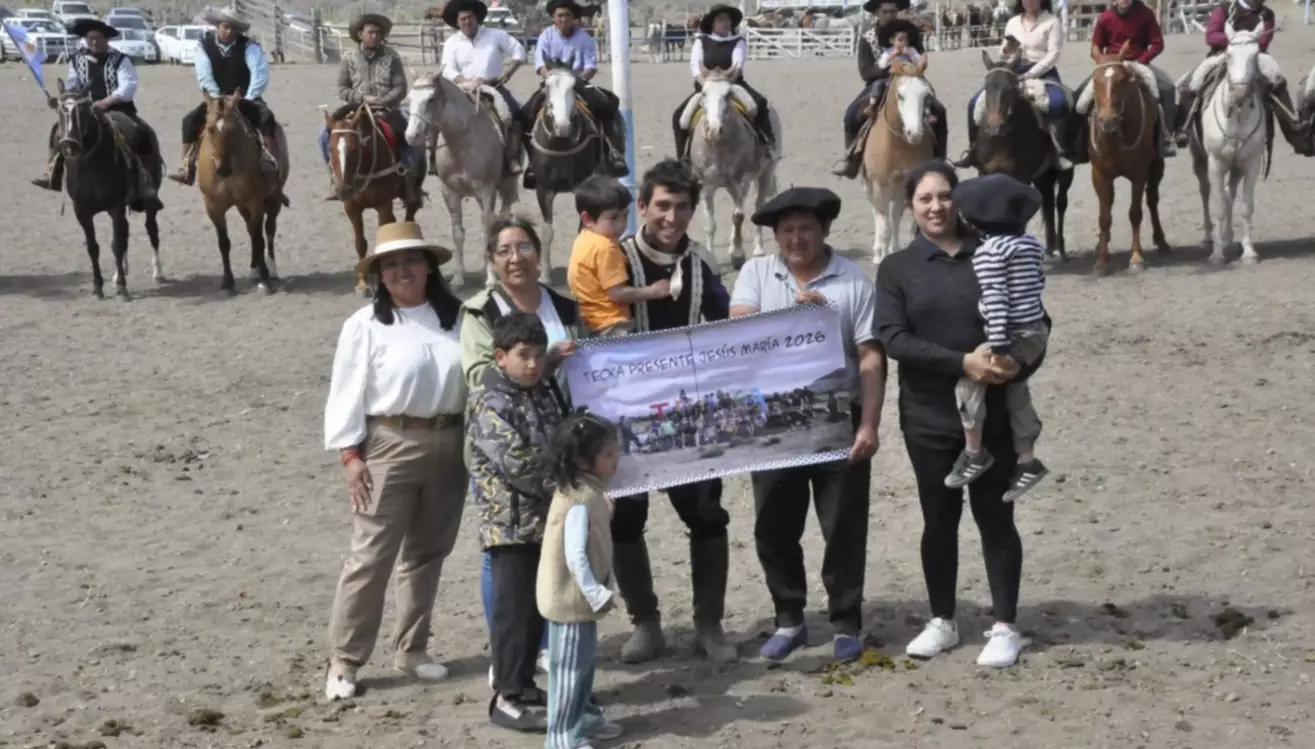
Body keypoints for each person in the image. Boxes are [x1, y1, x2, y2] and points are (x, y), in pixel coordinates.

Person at [875, 161, 1045, 669]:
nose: (936, 207)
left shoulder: (994, 250)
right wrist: (962, 363)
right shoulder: (897, 268)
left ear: (960, 200)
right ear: (910, 206)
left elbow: (1036, 317)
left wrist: (1018, 363)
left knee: (996, 518)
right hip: (927, 416)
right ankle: (942, 620)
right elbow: (893, 338)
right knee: (938, 520)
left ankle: (1006, 625)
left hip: (994, 413)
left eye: (945, 195)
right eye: (924, 199)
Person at [728, 187, 885, 662]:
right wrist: (794, 321)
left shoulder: (853, 280)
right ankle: (789, 617)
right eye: (788, 230)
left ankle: (846, 620)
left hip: (838, 414)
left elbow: (870, 356)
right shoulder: (755, 273)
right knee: (774, 523)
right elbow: (738, 337)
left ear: (826, 230)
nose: (797, 239)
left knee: (843, 524)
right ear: (776, 235)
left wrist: (870, 424)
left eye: (807, 229)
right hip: (773, 417)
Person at [323, 221, 467, 700]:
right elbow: (346, 390)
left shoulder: (459, 318)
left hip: (451, 441)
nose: (402, 270)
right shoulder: (364, 325)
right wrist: (351, 455)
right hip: (390, 443)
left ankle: (412, 648)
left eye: (410, 260)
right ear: (379, 275)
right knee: (371, 555)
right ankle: (345, 659)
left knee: (428, 552)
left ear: (428, 266)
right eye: (391, 264)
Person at [608, 159, 737, 664]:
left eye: (682, 207)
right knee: (625, 518)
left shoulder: (703, 261)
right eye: (662, 205)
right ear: (642, 207)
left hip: (688, 413)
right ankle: (645, 622)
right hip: (625, 413)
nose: (672, 216)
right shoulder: (614, 259)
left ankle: (709, 623)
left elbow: (727, 328)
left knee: (706, 514)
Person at [459, 216, 581, 688]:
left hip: (562, 436)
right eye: (505, 250)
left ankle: (545, 645)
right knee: (507, 560)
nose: (516, 258)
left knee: (555, 552)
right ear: (491, 259)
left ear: (539, 252)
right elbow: (479, 377)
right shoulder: (479, 311)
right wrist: (544, 365)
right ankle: (507, 656)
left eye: (524, 247)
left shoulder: (564, 305)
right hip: (509, 449)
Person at [468, 312, 566, 733]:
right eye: (523, 355)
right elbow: (517, 464)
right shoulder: (489, 402)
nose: (532, 364)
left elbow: (560, 443)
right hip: (508, 527)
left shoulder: (542, 394)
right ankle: (505, 697)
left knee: (535, 610)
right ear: (500, 357)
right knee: (512, 612)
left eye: (539, 356)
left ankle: (524, 685)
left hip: (544, 523)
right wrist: (569, 489)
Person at [945, 174, 1050, 500]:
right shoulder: (1031, 244)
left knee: (968, 383)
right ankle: (1027, 460)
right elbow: (1037, 284)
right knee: (1017, 388)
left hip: (1011, 332)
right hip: (1035, 328)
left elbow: (996, 298)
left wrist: (999, 342)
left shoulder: (989, 252)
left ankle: (974, 452)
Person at [537, 414, 626, 748]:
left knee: (584, 665)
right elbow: (575, 554)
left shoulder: (589, 492)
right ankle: (562, 736)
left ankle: (585, 717)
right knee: (568, 671)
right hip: (571, 600)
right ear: (584, 461)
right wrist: (593, 591)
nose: (616, 460)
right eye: (608, 454)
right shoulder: (578, 500)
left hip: (581, 602)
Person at [32, 18, 157, 203]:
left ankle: (144, 179)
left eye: (98, 38)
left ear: (106, 39)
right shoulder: (77, 59)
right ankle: (52, 173)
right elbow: (73, 85)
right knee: (58, 131)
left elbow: (128, 87)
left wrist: (106, 102)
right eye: (90, 38)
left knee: (140, 131)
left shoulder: (120, 60)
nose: (93, 42)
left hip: (117, 107)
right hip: (84, 108)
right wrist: (62, 100)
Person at [831, 0, 948, 178]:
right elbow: (865, 71)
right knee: (851, 114)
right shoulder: (867, 38)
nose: (889, 16)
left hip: (910, 78)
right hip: (879, 82)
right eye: (885, 12)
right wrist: (889, 70)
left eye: (893, 12)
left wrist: (918, 65)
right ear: (876, 13)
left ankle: (940, 158)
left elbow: (920, 56)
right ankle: (851, 159)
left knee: (939, 109)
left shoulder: (910, 34)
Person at [1173, 0, 1307, 153]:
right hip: (1223, 53)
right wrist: (1236, 42)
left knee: (1276, 77)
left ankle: (1293, 131)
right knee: (1193, 80)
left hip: (1254, 55)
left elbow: (1263, 41)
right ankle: (1182, 127)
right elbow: (1211, 36)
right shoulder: (1224, 9)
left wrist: (1245, 44)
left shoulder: (1266, 14)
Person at [959, 0, 1075, 170]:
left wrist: (1031, 73)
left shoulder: (1052, 22)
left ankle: (1059, 151)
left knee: (1058, 102)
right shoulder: (1012, 22)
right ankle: (972, 150)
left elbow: (1053, 53)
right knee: (974, 103)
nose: (1030, 1)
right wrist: (1007, 49)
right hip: (1012, 71)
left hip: (1043, 71)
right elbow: (1003, 51)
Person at [170, 8, 278, 185]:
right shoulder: (204, 47)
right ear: (218, 26)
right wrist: (218, 99)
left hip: (245, 98)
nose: (228, 31)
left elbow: (259, 74)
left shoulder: (249, 46)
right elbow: (204, 76)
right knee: (189, 121)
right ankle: (186, 167)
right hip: (216, 99)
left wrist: (247, 97)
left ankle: (269, 159)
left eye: (233, 28)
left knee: (266, 117)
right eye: (225, 26)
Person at [525, 0, 629, 180]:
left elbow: (590, 66)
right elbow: (540, 63)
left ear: (573, 17)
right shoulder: (545, 36)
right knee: (525, 114)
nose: (564, 19)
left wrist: (578, 79)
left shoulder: (584, 38)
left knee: (609, 105)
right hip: (553, 83)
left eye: (567, 15)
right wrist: (549, 76)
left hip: (578, 82)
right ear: (553, 18)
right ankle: (532, 163)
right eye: (560, 15)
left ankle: (613, 153)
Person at [321, 13, 417, 202]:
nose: (374, 36)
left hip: (386, 110)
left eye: (378, 33)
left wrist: (382, 101)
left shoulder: (392, 56)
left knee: (409, 135)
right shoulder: (348, 57)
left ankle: (409, 179)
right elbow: (341, 88)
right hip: (355, 109)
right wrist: (361, 97)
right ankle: (335, 179)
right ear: (360, 34)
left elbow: (400, 87)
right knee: (324, 135)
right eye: (370, 32)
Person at [671, 3, 775, 161]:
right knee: (679, 116)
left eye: (727, 19)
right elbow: (696, 68)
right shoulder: (701, 42)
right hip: (705, 87)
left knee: (760, 104)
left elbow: (737, 67)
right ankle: (682, 158)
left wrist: (725, 85)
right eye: (720, 19)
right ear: (712, 23)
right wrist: (707, 85)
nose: (725, 22)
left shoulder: (738, 42)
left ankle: (767, 144)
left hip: (733, 86)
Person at [1075, 0, 1177, 157]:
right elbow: (1096, 45)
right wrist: (1102, 61)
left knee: (1168, 88)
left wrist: (1142, 59)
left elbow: (1157, 43)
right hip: (1111, 64)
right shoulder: (1105, 18)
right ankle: (1080, 144)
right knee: (1080, 97)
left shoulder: (1145, 14)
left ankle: (1166, 137)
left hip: (1138, 62)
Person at [568, 175, 666, 337]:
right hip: (613, 326)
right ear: (587, 219)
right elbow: (617, 294)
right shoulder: (606, 247)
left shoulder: (583, 239)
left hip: (591, 324)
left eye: (625, 216)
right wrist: (653, 291)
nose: (621, 225)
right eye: (613, 218)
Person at [440, 0, 530, 174]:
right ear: (457, 22)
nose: (467, 22)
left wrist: (507, 73)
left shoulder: (496, 35)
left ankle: (512, 157)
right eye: (463, 19)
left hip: (494, 87)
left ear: (476, 18)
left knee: (516, 115)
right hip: (463, 90)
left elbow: (519, 51)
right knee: (438, 116)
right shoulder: (451, 42)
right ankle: (437, 161)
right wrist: (465, 80)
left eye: (470, 17)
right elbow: (448, 69)